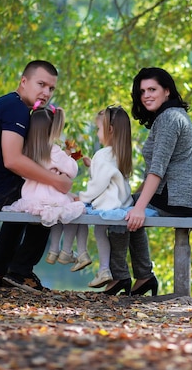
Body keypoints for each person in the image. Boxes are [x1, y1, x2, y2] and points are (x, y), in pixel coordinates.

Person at [0, 60, 72, 293]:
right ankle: (20, 271)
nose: (46, 92)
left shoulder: (12, 105)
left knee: (27, 194)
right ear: (24, 82)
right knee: (45, 198)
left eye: (51, 88)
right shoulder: (15, 108)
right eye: (41, 84)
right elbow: (13, 160)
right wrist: (57, 181)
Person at [104, 67, 192, 297]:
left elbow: (158, 170)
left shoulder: (170, 119)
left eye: (152, 89)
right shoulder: (171, 116)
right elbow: (157, 170)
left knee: (116, 212)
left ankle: (120, 276)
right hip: (176, 197)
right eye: (142, 91)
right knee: (126, 205)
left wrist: (139, 207)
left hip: (177, 199)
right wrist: (135, 200)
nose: (146, 95)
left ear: (167, 91)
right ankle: (144, 276)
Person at [1, 103, 88, 271]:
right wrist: (69, 157)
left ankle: (56, 250)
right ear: (52, 130)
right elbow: (72, 171)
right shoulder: (54, 150)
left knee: (69, 203)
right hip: (52, 197)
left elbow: (24, 174)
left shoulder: (25, 149)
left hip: (30, 197)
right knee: (79, 207)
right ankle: (66, 249)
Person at [75, 106, 134, 288]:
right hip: (123, 202)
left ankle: (100, 267)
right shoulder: (121, 152)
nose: (97, 133)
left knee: (97, 229)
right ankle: (104, 270)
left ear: (110, 130)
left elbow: (99, 184)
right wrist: (92, 165)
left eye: (98, 129)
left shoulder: (102, 154)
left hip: (108, 204)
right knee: (102, 232)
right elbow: (110, 175)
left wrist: (82, 198)